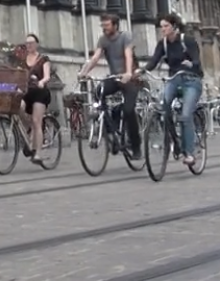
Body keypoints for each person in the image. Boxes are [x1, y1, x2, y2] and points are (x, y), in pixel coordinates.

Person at [77, 14, 141, 158]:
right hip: (115, 78)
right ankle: (110, 131)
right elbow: (95, 57)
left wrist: (129, 73)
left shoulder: (125, 37)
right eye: (103, 26)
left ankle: (136, 146)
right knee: (99, 92)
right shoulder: (103, 40)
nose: (104, 28)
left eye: (107, 25)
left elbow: (128, 55)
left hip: (129, 79)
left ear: (115, 25)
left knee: (129, 110)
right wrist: (84, 72)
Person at [144, 13, 203, 166]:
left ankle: (189, 152)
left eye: (166, 26)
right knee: (164, 107)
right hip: (174, 79)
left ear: (174, 27)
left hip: (191, 81)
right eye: (161, 26)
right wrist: (141, 71)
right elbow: (153, 61)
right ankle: (173, 140)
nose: (162, 29)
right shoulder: (162, 44)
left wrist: (192, 63)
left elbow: (196, 57)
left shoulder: (186, 41)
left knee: (185, 115)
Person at [18, 34, 53, 164]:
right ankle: (28, 128)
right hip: (27, 92)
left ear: (36, 44)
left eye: (31, 43)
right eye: (27, 43)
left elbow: (47, 75)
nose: (29, 45)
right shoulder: (22, 60)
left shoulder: (43, 59)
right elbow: (19, 75)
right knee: (18, 107)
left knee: (37, 121)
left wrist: (42, 82)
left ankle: (37, 153)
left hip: (40, 92)